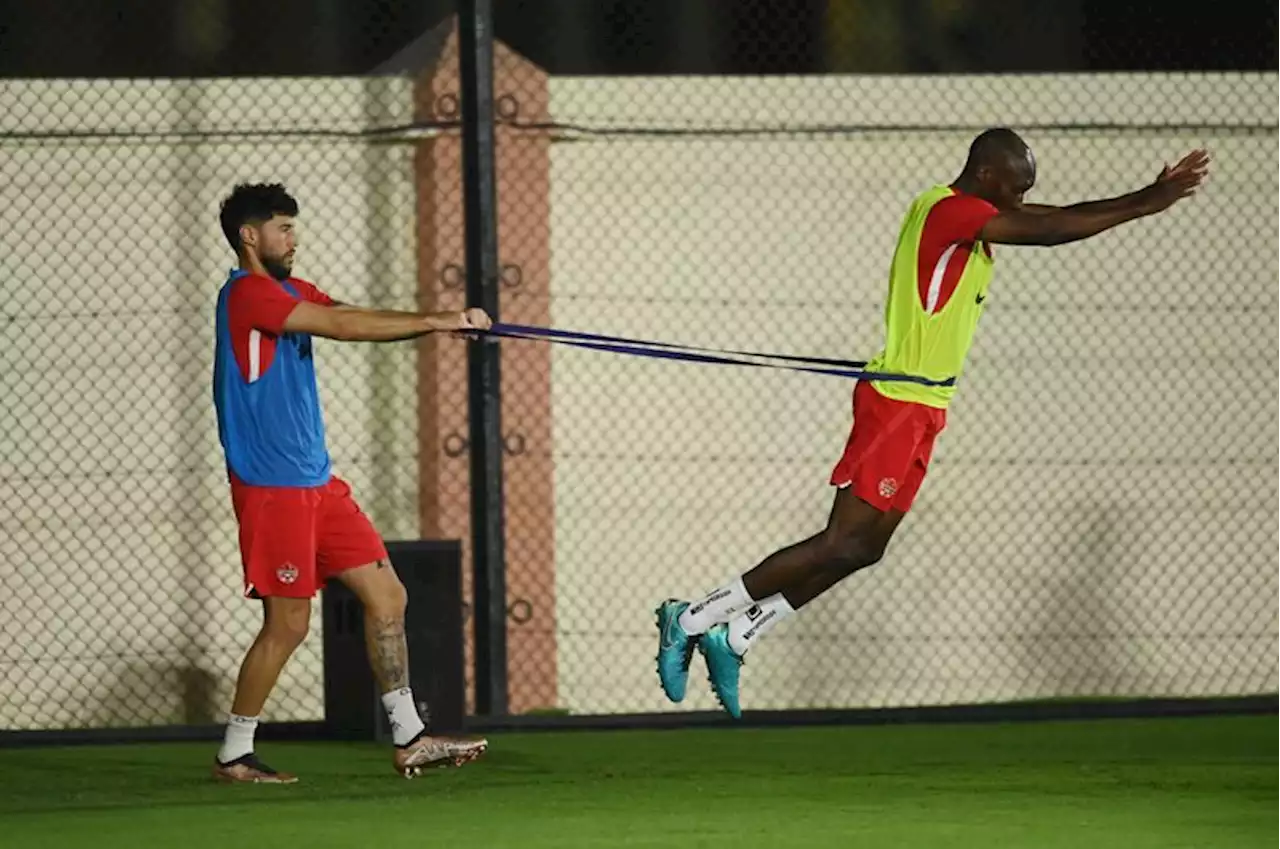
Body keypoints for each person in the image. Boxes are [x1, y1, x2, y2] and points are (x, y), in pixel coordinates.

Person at [655, 129, 1210, 718]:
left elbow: (1051, 216)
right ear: (988, 176)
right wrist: (1148, 202)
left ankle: (736, 636)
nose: (1022, 200)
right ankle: (692, 617)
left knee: (865, 549)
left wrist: (1145, 197)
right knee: (843, 539)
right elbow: (1049, 231)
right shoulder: (948, 212)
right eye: (1017, 188)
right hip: (896, 402)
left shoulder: (970, 220)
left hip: (925, 407)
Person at [211, 182, 492, 782]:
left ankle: (408, 737)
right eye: (282, 227)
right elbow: (338, 326)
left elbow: (354, 314)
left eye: (293, 226)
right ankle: (235, 751)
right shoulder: (248, 296)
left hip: (319, 483)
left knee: (388, 598)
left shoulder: (290, 290)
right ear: (249, 236)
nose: (294, 237)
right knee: (288, 625)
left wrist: (445, 322)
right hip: (272, 487)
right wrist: (438, 322)